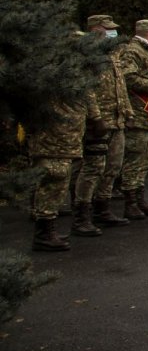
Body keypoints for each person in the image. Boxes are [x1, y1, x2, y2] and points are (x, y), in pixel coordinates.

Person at [29, 62, 99, 251]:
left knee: (59, 181)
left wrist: (95, 118)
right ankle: (43, 233)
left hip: (67, 136)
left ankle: (47, 229)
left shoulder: (75, 68)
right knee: (53, 178)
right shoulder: (51, 68)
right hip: (52, 136)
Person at [78, 14, 132, 229]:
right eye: (107, 28)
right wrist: (96, 117)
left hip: (116, 120)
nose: (112, 32)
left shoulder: (112, 54)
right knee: (93, 169)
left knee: (113, 167)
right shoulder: (86, 55)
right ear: (95, 29)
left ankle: (103, 207)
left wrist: (127, 112)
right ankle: (82, 214)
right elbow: (87, 89)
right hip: (99, 122)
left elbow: (120, 87)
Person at [118, 19, 148, 220]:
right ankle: (130, 203)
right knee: (134, 160)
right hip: (138, 114)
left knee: (146, 160)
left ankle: (139, 199)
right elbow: (128, 78)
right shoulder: (133, 51)